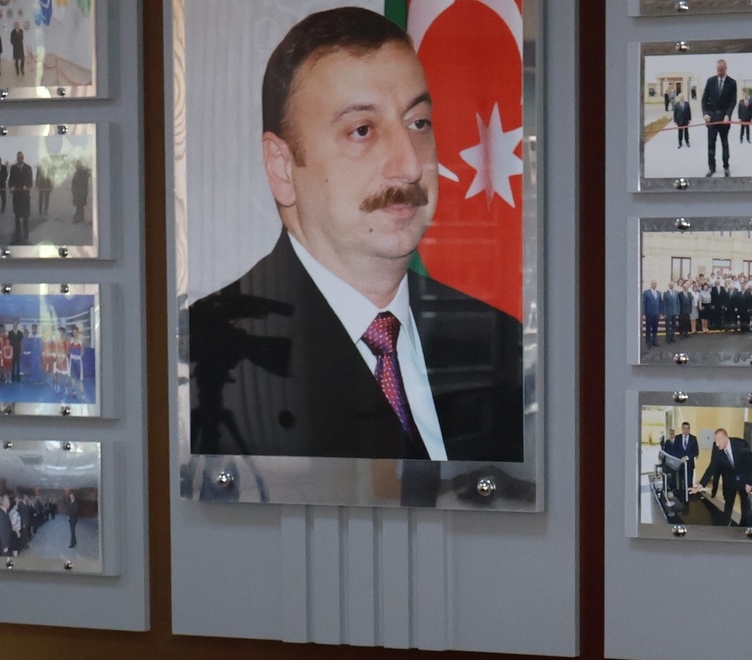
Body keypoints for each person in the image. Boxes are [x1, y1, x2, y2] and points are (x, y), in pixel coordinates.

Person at [187, 7, 520, 472]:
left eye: (418, 123)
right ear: (282, 168)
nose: (410, 165)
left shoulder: (496, 340)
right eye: (362, 130)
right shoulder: (206, 353)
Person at [695, 428, 752, 528]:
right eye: (715, 441)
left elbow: (750, 464)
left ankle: (746, 528)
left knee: (746, 506)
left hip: (744, 480)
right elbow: (711, 467)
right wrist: (700, 485)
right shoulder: (717, 449)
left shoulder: (741, 444)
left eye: (718, 441)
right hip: (730, 480)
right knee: (728, 505)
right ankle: (725, 527)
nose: (717, 444)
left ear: (726, 438)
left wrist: (750, 482)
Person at [701, 59, 737, 178]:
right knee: (711, 145)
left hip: (724, 120)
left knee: (724, 144)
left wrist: (728, 115)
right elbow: (704, 100)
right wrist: (705, 114)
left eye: (721, 70)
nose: (719, 72)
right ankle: (711, 168)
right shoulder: (710, 81)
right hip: (711, 120)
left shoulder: (732, 83)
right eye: (717, 70)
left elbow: (733, 102)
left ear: (726, 68)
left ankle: (726, 166)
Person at [8, 151, 34, 243]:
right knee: (17, 216)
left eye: (21, 157)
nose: (20, 159)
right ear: (17, 158)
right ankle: (18, 234)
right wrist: (11, 187)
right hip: (17, 196)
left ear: (23, 158)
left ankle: (26, 235)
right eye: (18, 158)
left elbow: (30, 182)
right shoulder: (13, 168)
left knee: (26, 216)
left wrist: (27, 186)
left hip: (25, 196)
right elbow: (10, 180)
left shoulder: (28, 168)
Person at [641, 281, 663, 349]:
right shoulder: (646, 292)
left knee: (655, 328)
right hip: (649, 314)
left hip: (656, 314)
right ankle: (648, 341)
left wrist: (661, 312)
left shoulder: (658, 293)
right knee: (648, 328)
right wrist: (643, 313)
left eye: (655, 284)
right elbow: (643, 303)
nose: (654, 285)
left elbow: (660, 303)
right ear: (651, 284)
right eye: (653, 283)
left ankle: (654, 340)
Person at [70, 160, 91, 224]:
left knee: (79, 206)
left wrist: (76, 191)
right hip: (80, 192)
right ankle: (80, 217)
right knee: (80, 206)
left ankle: (78, 218)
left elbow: (78, 183)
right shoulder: (82, 173)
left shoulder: (80, 174)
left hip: (79, 193)